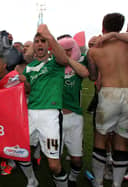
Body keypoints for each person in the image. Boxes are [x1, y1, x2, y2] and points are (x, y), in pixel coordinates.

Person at [19, 24, 69, 187]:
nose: (40, 44)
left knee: (54, 165)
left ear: (48, 45)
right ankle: (32, 180)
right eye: (37, 41)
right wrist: (25, 82)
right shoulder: (29, 67)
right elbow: (28, 90)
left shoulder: (55, 62)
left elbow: (64, 59)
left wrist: (50, 36)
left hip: (50, 115)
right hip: (31, 112)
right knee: (20, 151)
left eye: (43, 41)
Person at [88, 13, 128, 187]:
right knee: (122, 141)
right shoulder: (126, 43)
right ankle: (117, 184)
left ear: (102, 27)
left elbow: (92, 76)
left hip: (108, 94)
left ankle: (98, 182)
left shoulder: (95, 50)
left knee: (100, 138)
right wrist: (115, 35)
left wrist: (109, 36)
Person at [57, 37, 89, 186]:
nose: (66, 53)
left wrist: (68, 59)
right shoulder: (52, 65)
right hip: (55, 118)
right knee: (54, 158)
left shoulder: (79, 63)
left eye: (69, 49)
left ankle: (73, 178)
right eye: (62, 50)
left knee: (77, 160)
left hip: (74, 116)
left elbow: (85, 74)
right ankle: (61, 180)